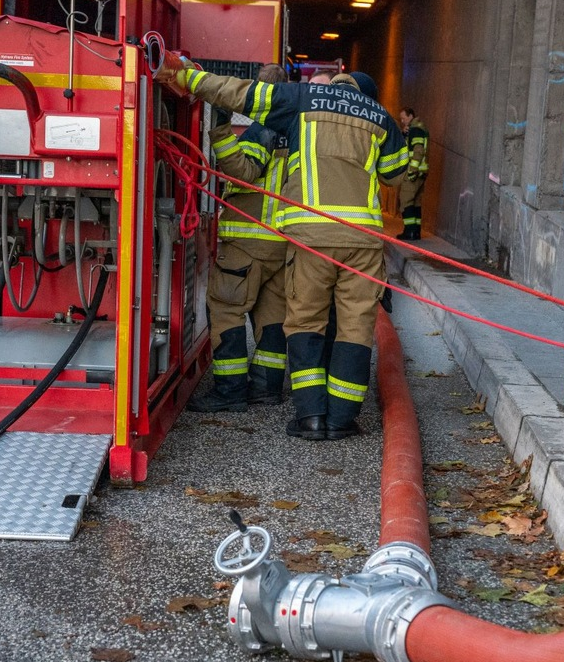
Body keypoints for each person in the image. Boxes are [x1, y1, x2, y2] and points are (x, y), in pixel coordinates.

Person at [172, 63, 408, 440]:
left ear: (331, 85)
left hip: (309, 239)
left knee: (305, 324)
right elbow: (395, 174)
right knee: (355, 329)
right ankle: (341, 420)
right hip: (363, 241)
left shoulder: (302, 100)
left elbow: (238, 93)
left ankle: (311, 417)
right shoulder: (378, 115)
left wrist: (184, 76)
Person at [188, 63, 291, 413]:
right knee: (271, 316)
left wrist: (219, 130)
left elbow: (243, 171)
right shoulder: (298, 133)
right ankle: (266, 389)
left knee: (226, 310)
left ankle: (229, 392)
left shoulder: (265, 129)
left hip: (248, 242)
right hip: (282, 243)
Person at [396, 107, 429, 241]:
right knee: (416, 203)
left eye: (404, 118)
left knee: (405, 201)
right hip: (421, 172)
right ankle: (415, 232)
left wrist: (412, 170)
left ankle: (409, 232)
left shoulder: (415, 130)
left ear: (411, 116)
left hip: (414, 172)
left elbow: (418, 150)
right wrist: (404, 134)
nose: (402, 121)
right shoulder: (419, 128)